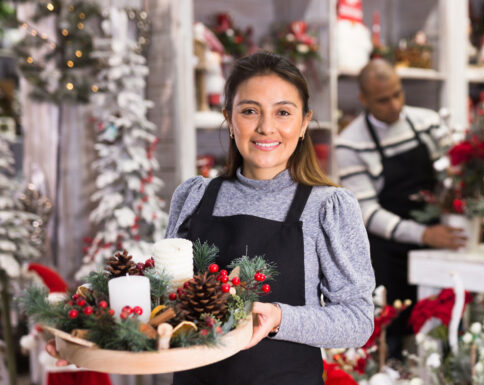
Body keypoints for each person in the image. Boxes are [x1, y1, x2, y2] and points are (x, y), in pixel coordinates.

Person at [48, 52, 375, 384]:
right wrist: (89, 334)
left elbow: (358, 321)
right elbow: (163, 299)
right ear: (229, 119)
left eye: (283, 113)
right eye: (249, 111)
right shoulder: (194, 196)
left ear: (304, 123)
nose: (266, 127)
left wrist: (278, 317)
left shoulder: (328, 206)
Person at [335, 59, 466, 354]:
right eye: (383, 100)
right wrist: (423, 234)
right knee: (392, 339)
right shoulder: (350, 143)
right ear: (363, 99)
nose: (394, 105)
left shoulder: (427, 122)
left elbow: (453, 172)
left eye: (398, 94)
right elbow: (367, 212)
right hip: (389, 256)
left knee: (446, 332)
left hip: (437, 245)